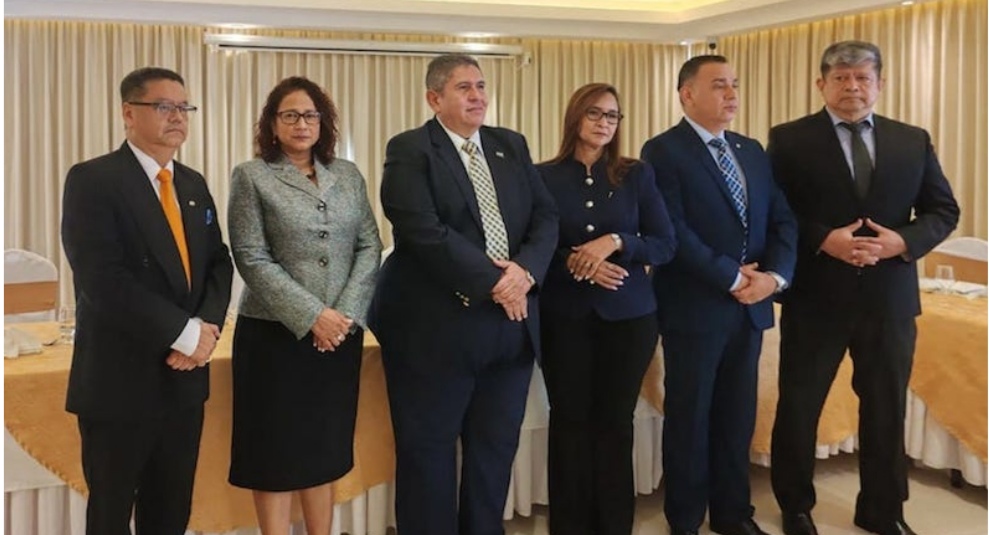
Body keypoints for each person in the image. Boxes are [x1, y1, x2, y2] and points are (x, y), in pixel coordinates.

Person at [768, 41, 959, 535]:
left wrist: (903, 241)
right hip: (816, 298)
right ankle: (795, 505)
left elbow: (943, 210)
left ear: (880, 84)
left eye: (862, 78)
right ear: (821, 84)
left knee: (886, 407)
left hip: (888, 299)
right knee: (800, 404)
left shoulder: (912, 140)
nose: (852, 87)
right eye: (841, 77)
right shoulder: (789, 139)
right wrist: (823, 239)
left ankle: (883, 509)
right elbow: (775, 212)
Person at [368, 53, 558, 535]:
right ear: (434, 99)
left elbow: (546, 217)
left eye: (481, 86)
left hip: (509, 328)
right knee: (428, 456)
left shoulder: (510, 144)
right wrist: (497, 282)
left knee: (494, 450)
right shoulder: (411, 149)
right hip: (434, 329)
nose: (477, 96)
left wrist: (524, 273)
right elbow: (421, 229)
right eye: (463, 88)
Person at [61, 66, 233, 535]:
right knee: (111, 514)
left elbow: (218, 263)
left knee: (171, 512)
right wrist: (184, 333)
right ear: (128, 113)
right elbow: (102, 279)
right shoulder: (94, 179)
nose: (177, 116)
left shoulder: (192, 184)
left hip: (184, 379)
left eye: (183, 107)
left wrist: (206, 329)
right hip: (120, 381)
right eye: (163, 106)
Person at [640, 55, 797, 535]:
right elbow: (672, 230)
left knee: (737, 416)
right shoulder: (663, 150)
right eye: (718, 85)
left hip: (751, 307)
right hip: (695, 306)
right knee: (690, 418)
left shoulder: (751, 150)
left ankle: (733, 514)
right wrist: (731, 277)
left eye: (734, 84)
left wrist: (774, 279)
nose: (731, 94)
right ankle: (686, 519)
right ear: (687, 94)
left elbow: (782, 220)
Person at [226, 76, 382, 535]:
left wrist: (343, 315)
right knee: (273, 453)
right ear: (272, 124)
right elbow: (251, 256)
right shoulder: (252, 176)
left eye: (310, 115)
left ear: (323, 122)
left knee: (324, 447)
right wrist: (313, 315)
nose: (301, 124)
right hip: (274, 335)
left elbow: (369, 245)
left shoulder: (347, 175)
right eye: (290, 115)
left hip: (339, 335)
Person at [536, 83, 676, 535]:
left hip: (630, 318)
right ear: (575, 117)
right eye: (594, 113)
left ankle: (614, 525)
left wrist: (615, 242)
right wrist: (579, 264)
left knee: (616, 422)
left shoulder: (636, 174)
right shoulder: (542, 176)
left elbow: (664, 243)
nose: (604, 123)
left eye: (612, 115)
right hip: (565, 317)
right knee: (569, 421)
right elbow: (535, 247)